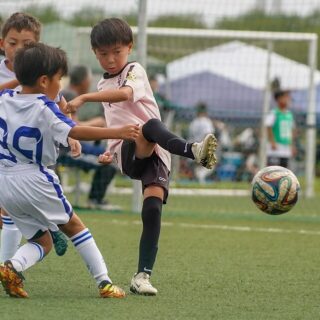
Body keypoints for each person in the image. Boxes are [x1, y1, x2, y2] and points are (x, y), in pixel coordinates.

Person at [66, 18, 217, 296]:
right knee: (146, 127)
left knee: (152, 208)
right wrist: (109, 152)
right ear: (94, 52)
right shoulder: (101, 85)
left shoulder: (135, 70)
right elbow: (116, 119)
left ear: (129, 48)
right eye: (103, 54)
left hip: (157, 153)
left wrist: (84, 99)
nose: (111, 60)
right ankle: (193, 150)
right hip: (129, 150)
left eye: (117, 52)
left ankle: (142, 276)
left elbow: (125, 95)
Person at [0, 42, 139, 298]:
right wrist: (117, 131)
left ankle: (12, 267)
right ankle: (104, 283)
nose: (61, 85)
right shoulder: (45, 106)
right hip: (35, 177)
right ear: (44, 81)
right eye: (59, 79)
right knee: (75, 227)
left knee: (43, 241)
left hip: (5, 182)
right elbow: (75, 129)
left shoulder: (4, 98)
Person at [0, 12, 75, 260]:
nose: (19, 49)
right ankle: (48, 229)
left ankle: (8, 266)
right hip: (4, 153)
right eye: (13, 43)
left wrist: (72, 135)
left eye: (27, 45)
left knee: (16, 212)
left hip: (34, 160)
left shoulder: (44, 76)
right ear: (2, 44)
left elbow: (61, 108)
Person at [61, 65, 120, 210]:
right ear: (83, 81)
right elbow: (72, 126)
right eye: (89, 79)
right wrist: (97, 123)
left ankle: (95, 198)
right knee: (109, 163)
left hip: (75, 145)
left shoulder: (68, 93)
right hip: (65, 150)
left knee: (110, 155)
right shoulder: (69, 95)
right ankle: (95, 200)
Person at [265, 90, 296, 168]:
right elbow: (268, 127)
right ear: (279, 99)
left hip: (286, 147)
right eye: (285, 97)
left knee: (284, 171)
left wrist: (292, 145)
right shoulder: (274, 113)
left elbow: (291, 131)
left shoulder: (289, 114)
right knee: (273, 170)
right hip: (276, 147)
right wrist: (272, 142)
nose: (288, 100)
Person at [188, 102, 215, 184]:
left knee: (198, 168)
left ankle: (198, 177)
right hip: (202, 148)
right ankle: (201, 178)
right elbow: (208, 136)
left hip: (192, 150)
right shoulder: (206, 122)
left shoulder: (193, 122)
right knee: (213, 162)